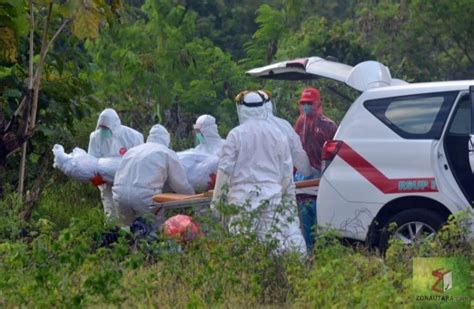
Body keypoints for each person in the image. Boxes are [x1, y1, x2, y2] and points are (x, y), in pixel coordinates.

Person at [212, 90, 306, 254]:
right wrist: (285, 199)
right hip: (272, 198)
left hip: (241, 201)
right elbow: (286, 175)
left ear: (241, 109)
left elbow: (224, 172)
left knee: (243, 247)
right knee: (273, 244)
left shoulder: (236, 135)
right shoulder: (277, 134)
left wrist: (217, 204)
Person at [112, 124, 195, 226]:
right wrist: (193, 196)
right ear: (166, 139)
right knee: (153, 230)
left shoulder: (132, 151)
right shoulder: (166, 152)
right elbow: (180, 184)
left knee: (125, 230)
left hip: (120, 194)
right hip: (144, 196)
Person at [294, 87, 337, 251]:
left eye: (309, 103)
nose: (306, 107)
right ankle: (310, 251)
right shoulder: (300, 122)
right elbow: (295, 149)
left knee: (322, 213)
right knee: (305, 215)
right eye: (303, 103)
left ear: (318, 104)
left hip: (322, 174)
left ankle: (325, 249)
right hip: (303, 175)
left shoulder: (328, 125)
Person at [88, 108, 143, 221]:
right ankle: (112, 236)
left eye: (106, 128)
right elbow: (92, 160)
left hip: (127, 185)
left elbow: (139, 162)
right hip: (106, 184)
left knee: (128, 215)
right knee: (110, 212)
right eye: (102, 127)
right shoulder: (95, 137)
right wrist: (95, 177)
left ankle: (131, 237)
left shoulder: (132, 136)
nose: (103, 130)